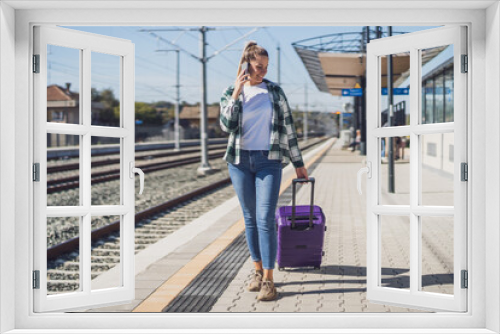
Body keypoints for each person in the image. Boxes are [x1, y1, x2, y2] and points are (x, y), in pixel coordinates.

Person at [219, 41, 308, 302]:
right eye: (259, 66)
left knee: (265, 219)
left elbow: (289, 131)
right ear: (246, 64)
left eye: (266, 67)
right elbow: (228, 126)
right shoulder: (229, 92)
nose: (263, 71)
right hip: (239, 161)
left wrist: (299, 164)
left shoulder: (275, 92)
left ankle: (269, 280)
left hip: (269, 160)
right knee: (249, 218)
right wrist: (236, 94)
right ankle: (257, 272)